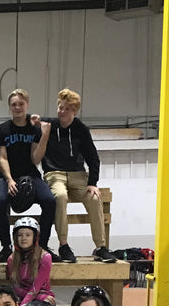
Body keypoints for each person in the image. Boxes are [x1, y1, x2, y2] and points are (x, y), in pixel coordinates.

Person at [42, 88, 115, 264]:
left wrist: (92, 182)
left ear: (74, 111)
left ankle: (101, 247)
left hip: (78, 175)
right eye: (60, 107)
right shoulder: (50, 125)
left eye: (67, 109)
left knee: (94, 198)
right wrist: (34, 120)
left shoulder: (80, 129)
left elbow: (93, 157)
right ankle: (64, 245)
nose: (62, 111)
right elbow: (30, 119)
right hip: (55, 174)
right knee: (60, 196)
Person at [0, 88, 57, 263]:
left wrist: (44, 136)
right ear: (9, 107)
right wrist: (9, 180)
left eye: (21, 104)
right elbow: (3, 158)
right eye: (14, 104)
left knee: (50, 201)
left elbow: (35, 159)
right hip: (8, 176)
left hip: (31, 175)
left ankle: (42, 246)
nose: (17, 107)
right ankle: (6, 247)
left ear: (27, 105)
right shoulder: (2, 129)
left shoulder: (34, 128)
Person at [0, 216, 56, 306]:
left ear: (35, 237)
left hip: (43, 302)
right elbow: (16, 287)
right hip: (23, 299)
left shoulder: (45, 257)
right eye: (20, 235)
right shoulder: (11, 259)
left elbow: (35, 288)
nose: (23, 238)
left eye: (28, 235)